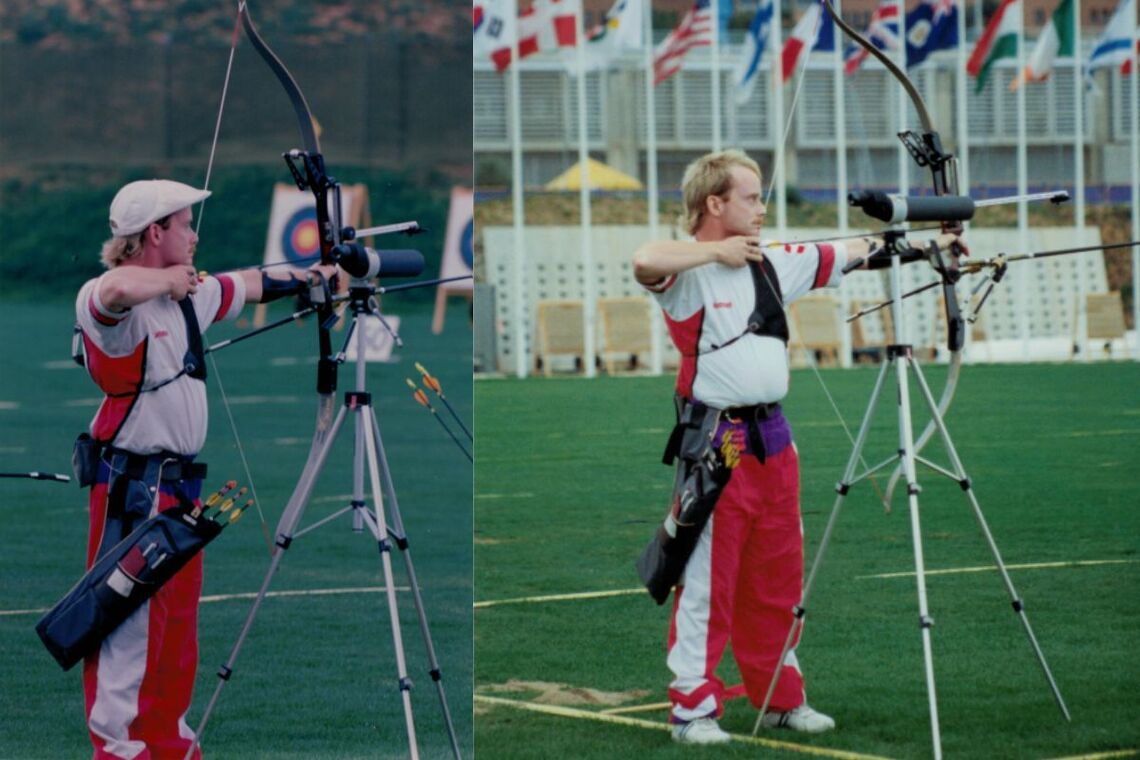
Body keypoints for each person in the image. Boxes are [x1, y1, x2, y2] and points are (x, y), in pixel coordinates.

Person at [631, 150, 964, 745]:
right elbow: (643, 260)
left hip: (775, 444)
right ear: (715, 204)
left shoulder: (775, 262)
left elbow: (861, 251)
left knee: (778, 579)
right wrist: (717, 251)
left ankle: (781, 699)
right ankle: (692, 708)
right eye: (751, 197)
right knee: (708, 582)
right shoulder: (688, 274)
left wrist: (930, 246)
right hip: (720, 445)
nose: (762, 208)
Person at [74, 179, 336, 759]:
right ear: (154, 233)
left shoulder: (190, 295)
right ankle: (122, 750)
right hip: (132, 495)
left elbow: (249, 282)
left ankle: (170, 745)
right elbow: (112, 287)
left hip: (179, 498)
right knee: (130, 632)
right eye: (186, 225)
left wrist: (318, 277)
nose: (194, 235)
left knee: (175, 636)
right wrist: (168, 282)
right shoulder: (113, 307)